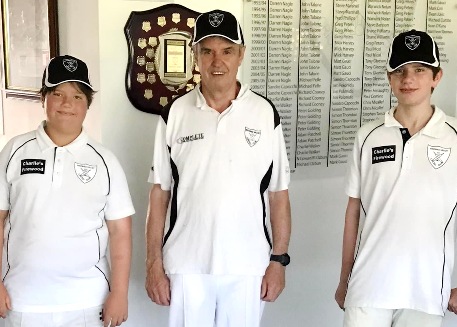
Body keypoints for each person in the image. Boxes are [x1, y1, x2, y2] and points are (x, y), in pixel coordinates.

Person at [145, 9, 291, 327]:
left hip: (248, 263)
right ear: (195, 55)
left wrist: (278, 260)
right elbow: (159, 194)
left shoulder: (265, 114)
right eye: (207, 51)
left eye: (227, 51)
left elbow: (279, 194)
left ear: (241, 55)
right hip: (185, 262)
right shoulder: (174, 114)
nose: (217, 61)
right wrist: (153, 262)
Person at [0, 55, 134, 327]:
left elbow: (121, 231)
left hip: (87, 301)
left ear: (87, 104)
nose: (66, 104)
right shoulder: (14, 151)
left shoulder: (105, 160)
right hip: (23, 299)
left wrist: (119, 293)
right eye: (57, 93)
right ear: (43, 98)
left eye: (77, 97)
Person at [335, 29, 457, 326]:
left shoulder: (454, 136)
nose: (408, 79)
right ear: (389, 78)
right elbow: (353, 211)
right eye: (399, 71)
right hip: (368, 284)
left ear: (436, 76)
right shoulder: (368, 136)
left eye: (419, 69)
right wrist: (344, 277)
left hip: (426, 289)